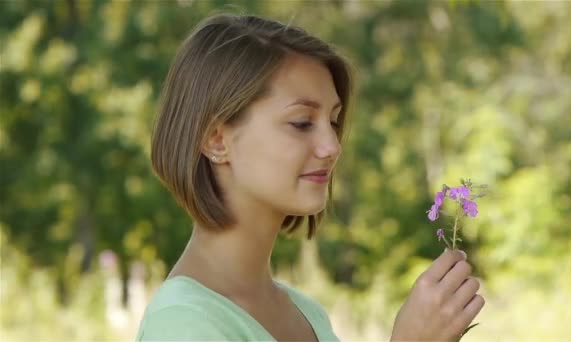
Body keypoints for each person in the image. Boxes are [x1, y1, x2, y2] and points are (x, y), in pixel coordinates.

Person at [136, 13, 484, 342]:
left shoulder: (307, 313)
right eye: (302, 123)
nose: (332, 146)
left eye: (333, 122)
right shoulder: (183, 324)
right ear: (216, 138)